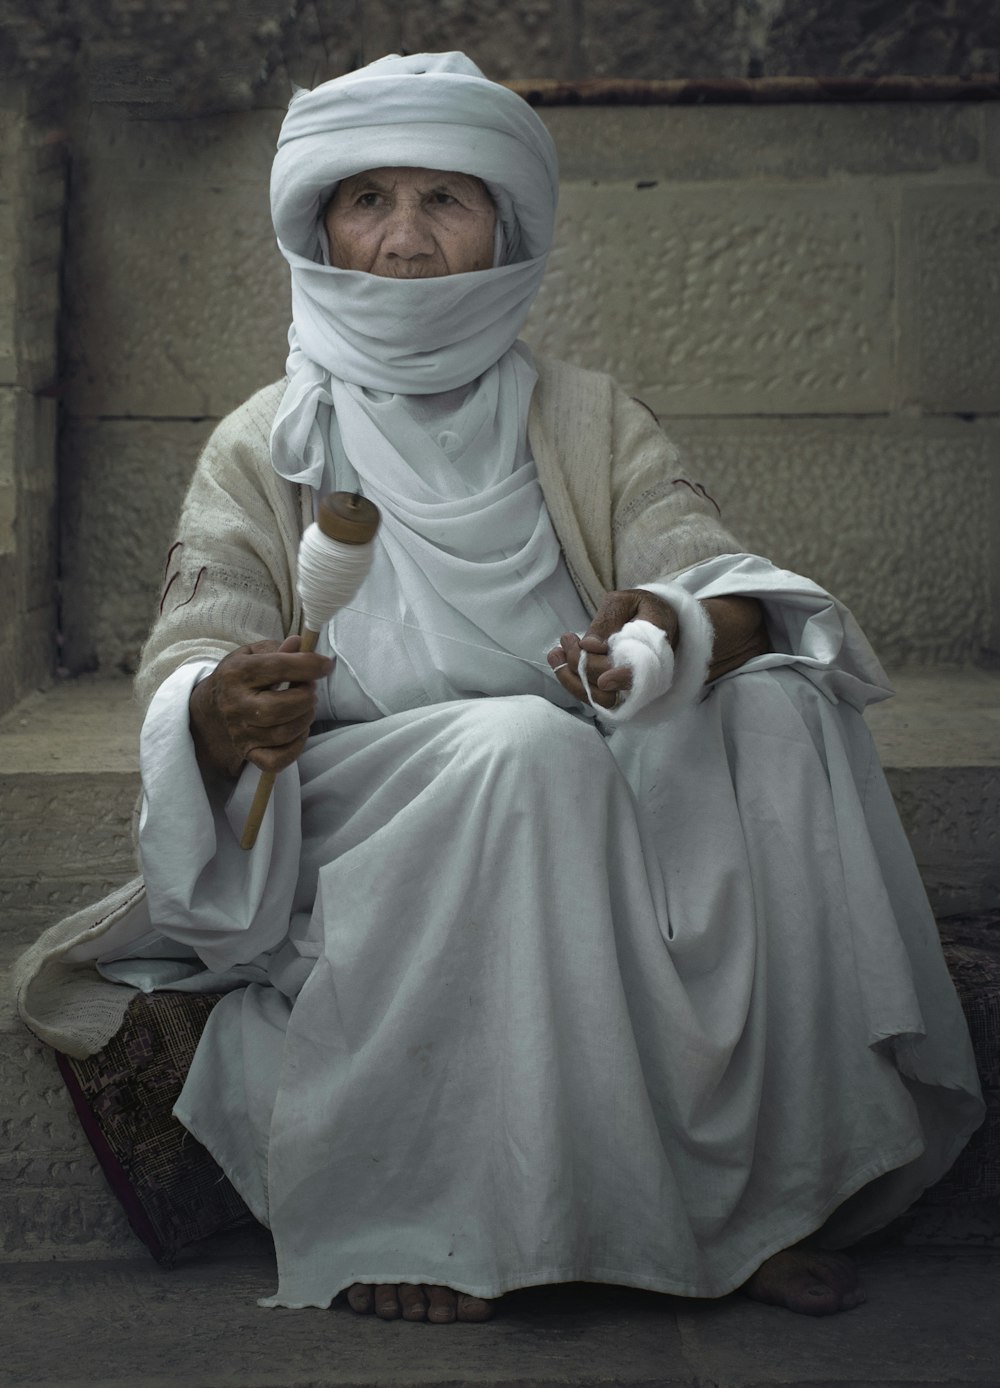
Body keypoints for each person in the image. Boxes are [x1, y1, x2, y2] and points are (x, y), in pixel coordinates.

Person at [15, 51, 983, 1326]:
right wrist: (218, 705)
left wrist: (668, 639)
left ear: (502, 228)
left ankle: (749, 1202)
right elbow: (200, 649)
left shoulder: (584, 416)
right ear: (321, 226)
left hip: (590, 765)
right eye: (368, 200)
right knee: (522, 749)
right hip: (367, 803)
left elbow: (727, 588)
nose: (405, 241)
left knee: (777, 703)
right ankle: (431, 1203)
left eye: (444, 200)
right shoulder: (265, 439)